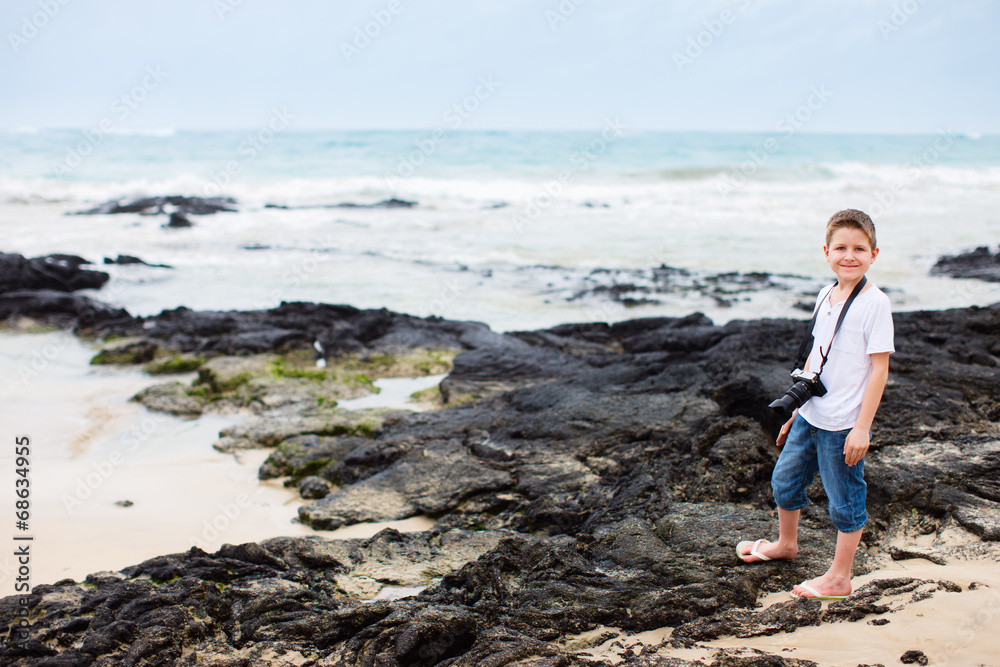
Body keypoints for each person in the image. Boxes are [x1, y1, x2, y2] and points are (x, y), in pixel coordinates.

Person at [736, 209, 894, 600]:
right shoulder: (825, 294)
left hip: (843, 423)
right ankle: (785, 544)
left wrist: (862, 427)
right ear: (826, 252)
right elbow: (816, 357)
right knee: (784, 483)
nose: (849, 256)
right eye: (841, 247)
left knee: (845, 500)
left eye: (860, 248)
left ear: (874, 254)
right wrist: (796, 408)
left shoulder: (875, 303)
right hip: (811, 414)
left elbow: (879, 370)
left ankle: (840, 577)